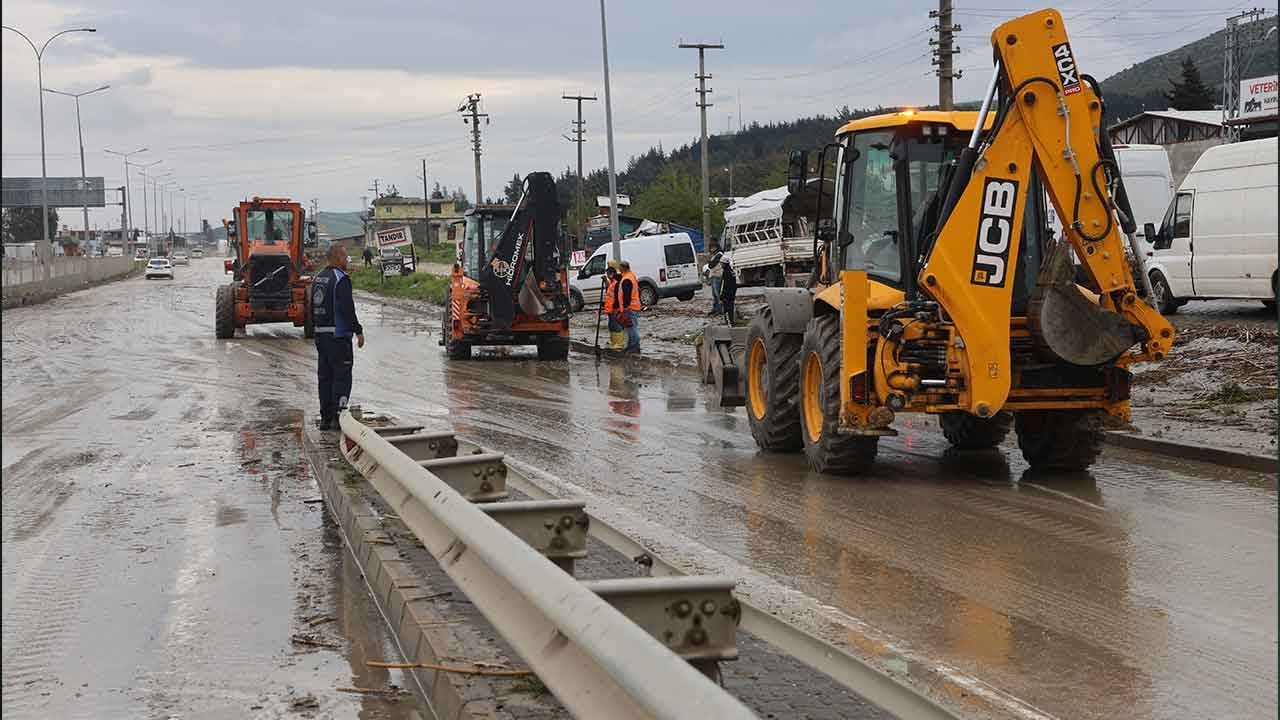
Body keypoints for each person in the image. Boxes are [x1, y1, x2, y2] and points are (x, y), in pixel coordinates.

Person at [312, 244, 365, 431]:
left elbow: (311, 308)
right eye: (345, 256)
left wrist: (315, 331)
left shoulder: (318, 278)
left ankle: (325, 418)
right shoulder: (340, 279)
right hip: (339, 336)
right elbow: (346, 308)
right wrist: (358, 330)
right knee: (341, 376)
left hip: (321, 335)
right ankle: (338, 416)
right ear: (337, 258)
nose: (347, 260)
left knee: (325, 377)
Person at [617, 260, 642, 354]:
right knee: (630, 328)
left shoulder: (627, 279)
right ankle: (631, 346)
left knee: (632, 328)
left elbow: (626, 295)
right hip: (633, 306)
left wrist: (625, 307)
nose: (619, 269)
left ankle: (635, 346)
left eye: (620, 267)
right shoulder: (631, 276)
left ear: (623, 268)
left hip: (630, 307)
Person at [602, 261, 624, 350]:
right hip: (610, 309)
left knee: (616, 325)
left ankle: (619, 343)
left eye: (608, 272)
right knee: (612, 325)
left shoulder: (617, 281)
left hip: (615, 308)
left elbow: (618, 296)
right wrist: (605, 280)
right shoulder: (613, 281)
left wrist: (616, 308)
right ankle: (614, 342)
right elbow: (609, 288)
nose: (607, 274)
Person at [719, 255, 739, 326]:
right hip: (732, 294)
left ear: (724, 264)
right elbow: (735, 284)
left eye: (721, 263)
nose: (720, 265)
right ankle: (731, 322)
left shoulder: (726, 272)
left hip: (727, 295)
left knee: (727, 310)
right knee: (731, 309)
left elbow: (724, 285)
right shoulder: (732, 271)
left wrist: (722, 295)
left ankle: (729, 324)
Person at [705, 252, 725, 316]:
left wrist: (709, 262)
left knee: (717, 295)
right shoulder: (715, 256)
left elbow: (711, 265)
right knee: (714, 295)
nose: (711, 250)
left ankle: (720, 310)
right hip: (714, 276)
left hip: (717, 276)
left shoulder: (719, 255)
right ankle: (715, 309)